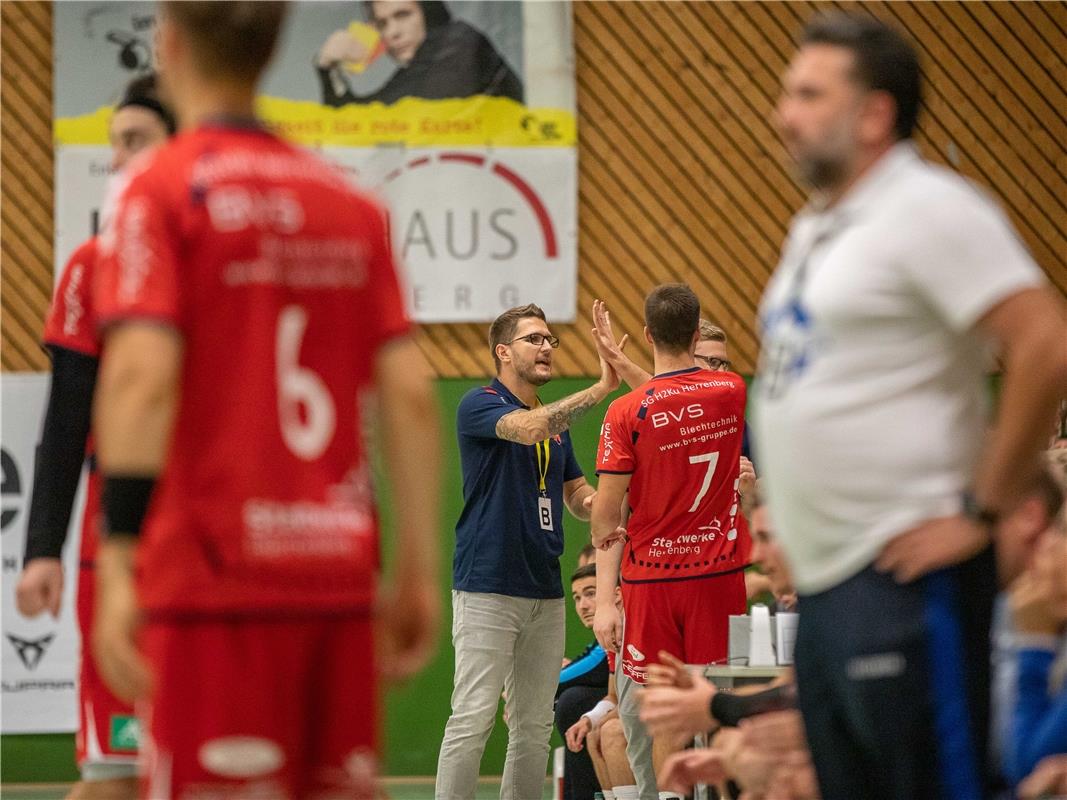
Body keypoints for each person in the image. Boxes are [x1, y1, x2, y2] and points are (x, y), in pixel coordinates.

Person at [90, 4, 441, 798]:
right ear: (274, 49)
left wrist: (116, 561)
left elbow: (141, 375)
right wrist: (415, 570)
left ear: (168, 44)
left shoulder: (160, 190)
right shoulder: (350, 203)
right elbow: (410, 398)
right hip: (336, 577)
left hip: (214, 586)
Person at [755, 13, 1067, 800]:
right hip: (828, 589)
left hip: (906, 579)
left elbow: (1043, 344)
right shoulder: (816, 228)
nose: (782, 114)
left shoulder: (929, 208)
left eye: (807, 94)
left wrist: (982, 509)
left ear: (873, 114)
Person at [14, 73, 175, 800]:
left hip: (217, 550)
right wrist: (42, 548)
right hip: (118, 551)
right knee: (118, 775)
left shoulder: (241, 261)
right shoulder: (93, 266)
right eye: (115, 144)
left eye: (137, 140)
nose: (120, 159)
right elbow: (66, 418)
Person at [435, 303, 618, 800]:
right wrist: (602, 388)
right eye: (534, 339)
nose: (546, 348)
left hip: (545, 590)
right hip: (487, 586)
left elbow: (580, 499)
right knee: (472, 718)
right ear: (503, 351)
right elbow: (528, 429)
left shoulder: (553, 425)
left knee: (534, 725)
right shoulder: (479, 404)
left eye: (549, 340)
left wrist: (617, 499)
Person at [592, 284, 750, 800]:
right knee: (723, 711)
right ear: (696, 328)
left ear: (646, 334)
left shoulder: (624, 413)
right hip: (720, 577)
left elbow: (608, 509)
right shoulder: (731, 391)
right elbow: (685, 400)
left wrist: (604, 534)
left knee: (664, 718)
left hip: (653, 582)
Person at [316, 0, 522, 106]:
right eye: (382, 24)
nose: (392, 33)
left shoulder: (459, 43)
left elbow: (372, 121)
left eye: (403, 15)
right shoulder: (423, 67)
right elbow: (353, 125)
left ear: (429, 11)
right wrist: (328, 68)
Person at [555, 564, 612, 800]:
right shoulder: (601, 636)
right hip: (616, 701)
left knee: (572, 701)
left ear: (615, 593)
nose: (582, 605)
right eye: (577, 598)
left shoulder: (617, 630)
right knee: (568, 700)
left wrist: (527, 691)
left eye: (590, 594)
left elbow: (593, 667)